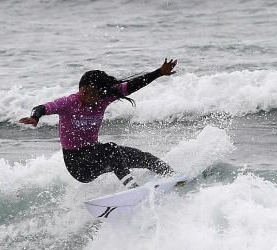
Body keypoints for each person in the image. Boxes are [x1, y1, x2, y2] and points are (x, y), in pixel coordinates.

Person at [19, 58, 178, 189]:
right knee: (111, 149)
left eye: (91, 92)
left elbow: (132, 85)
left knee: (146, 158)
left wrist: (159, 73)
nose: (86, 95)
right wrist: (35, 117)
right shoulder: (68, 103)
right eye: (83, 90)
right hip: (77, 164)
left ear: (100, 91)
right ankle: (133, 188)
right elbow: (42, 107)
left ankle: (176, 179)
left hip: (97, 154)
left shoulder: (104, 98)